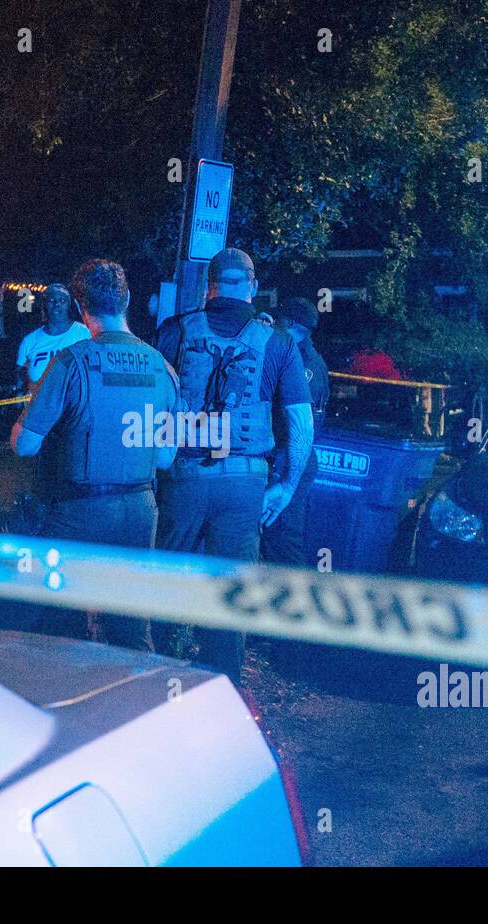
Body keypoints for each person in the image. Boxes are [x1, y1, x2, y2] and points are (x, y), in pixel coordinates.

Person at [154, 248, 314, 680]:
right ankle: (222, 688)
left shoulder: (175, 330)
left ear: (209, 284)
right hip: (246, 483)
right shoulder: (278, 341)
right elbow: (302, 425)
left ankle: (156, 680)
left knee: (168, 578)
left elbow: (154, 408)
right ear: (253, 286)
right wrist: (286, 485)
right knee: (233, 592)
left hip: (183, 475)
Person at [11, 259, 178, 651]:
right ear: (128, 300)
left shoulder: (70, 361)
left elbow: (25, 444)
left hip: (77, 511)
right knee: (132, 627)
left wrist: (31, 413)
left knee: (52, 619)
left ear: (81, 307)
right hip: (139, 509)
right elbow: (166, 458)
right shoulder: (162, 367)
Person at [261, 297, 328, 567]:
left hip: (290, 459)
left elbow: (298, 424)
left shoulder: (302, 365)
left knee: (282, 541)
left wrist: (286, 478)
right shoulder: (308, 359)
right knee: (272, 537)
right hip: (290, 457)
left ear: (287, 323)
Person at [15, 283, 91, 388]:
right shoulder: (29, 341)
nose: (57, 304)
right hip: (40, 403)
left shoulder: (84, 333)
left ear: (69, 305)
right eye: (51, 300)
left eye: (62, 300)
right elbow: (20, 379)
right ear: (44, 305)